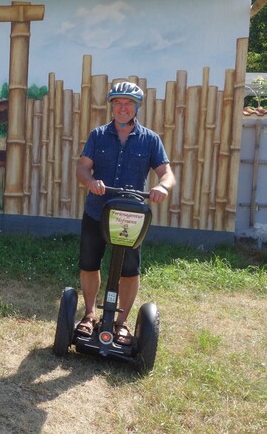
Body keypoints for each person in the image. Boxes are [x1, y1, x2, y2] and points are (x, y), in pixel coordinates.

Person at [75, 81, 175, 344]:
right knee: (89, 264)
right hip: (98, 211)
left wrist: (162, 187)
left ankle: (121, 323)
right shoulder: (98, 135)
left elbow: (167, 173)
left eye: (128, 103)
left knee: (130, 270)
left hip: (131, 216)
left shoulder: (150, 139)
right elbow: (83, 168)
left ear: (136, 107)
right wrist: (90, 182)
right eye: (118, 103)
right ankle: (88, 315)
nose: (122, 108)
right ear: (111, 106)